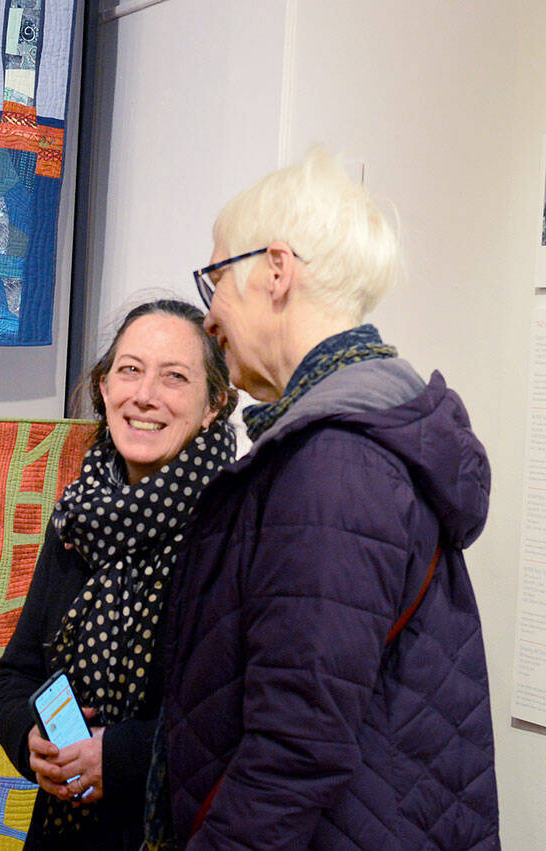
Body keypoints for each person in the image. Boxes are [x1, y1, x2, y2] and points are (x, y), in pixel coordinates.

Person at [161, 148, 499, 848]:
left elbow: (296, 743)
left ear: (276, 271)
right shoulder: (337, 441)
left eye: (217, 276)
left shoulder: (336, 463)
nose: (212, 315)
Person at [0, 299, 237, 848]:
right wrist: (32, 737)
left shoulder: (236, 527)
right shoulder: (78, 517)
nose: (144, 394)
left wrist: (120, 759)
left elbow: (243, 723)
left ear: (214, 404)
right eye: (129, 370)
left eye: (174, 377)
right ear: (104, 388)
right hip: (66, 831)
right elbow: (16, 676)